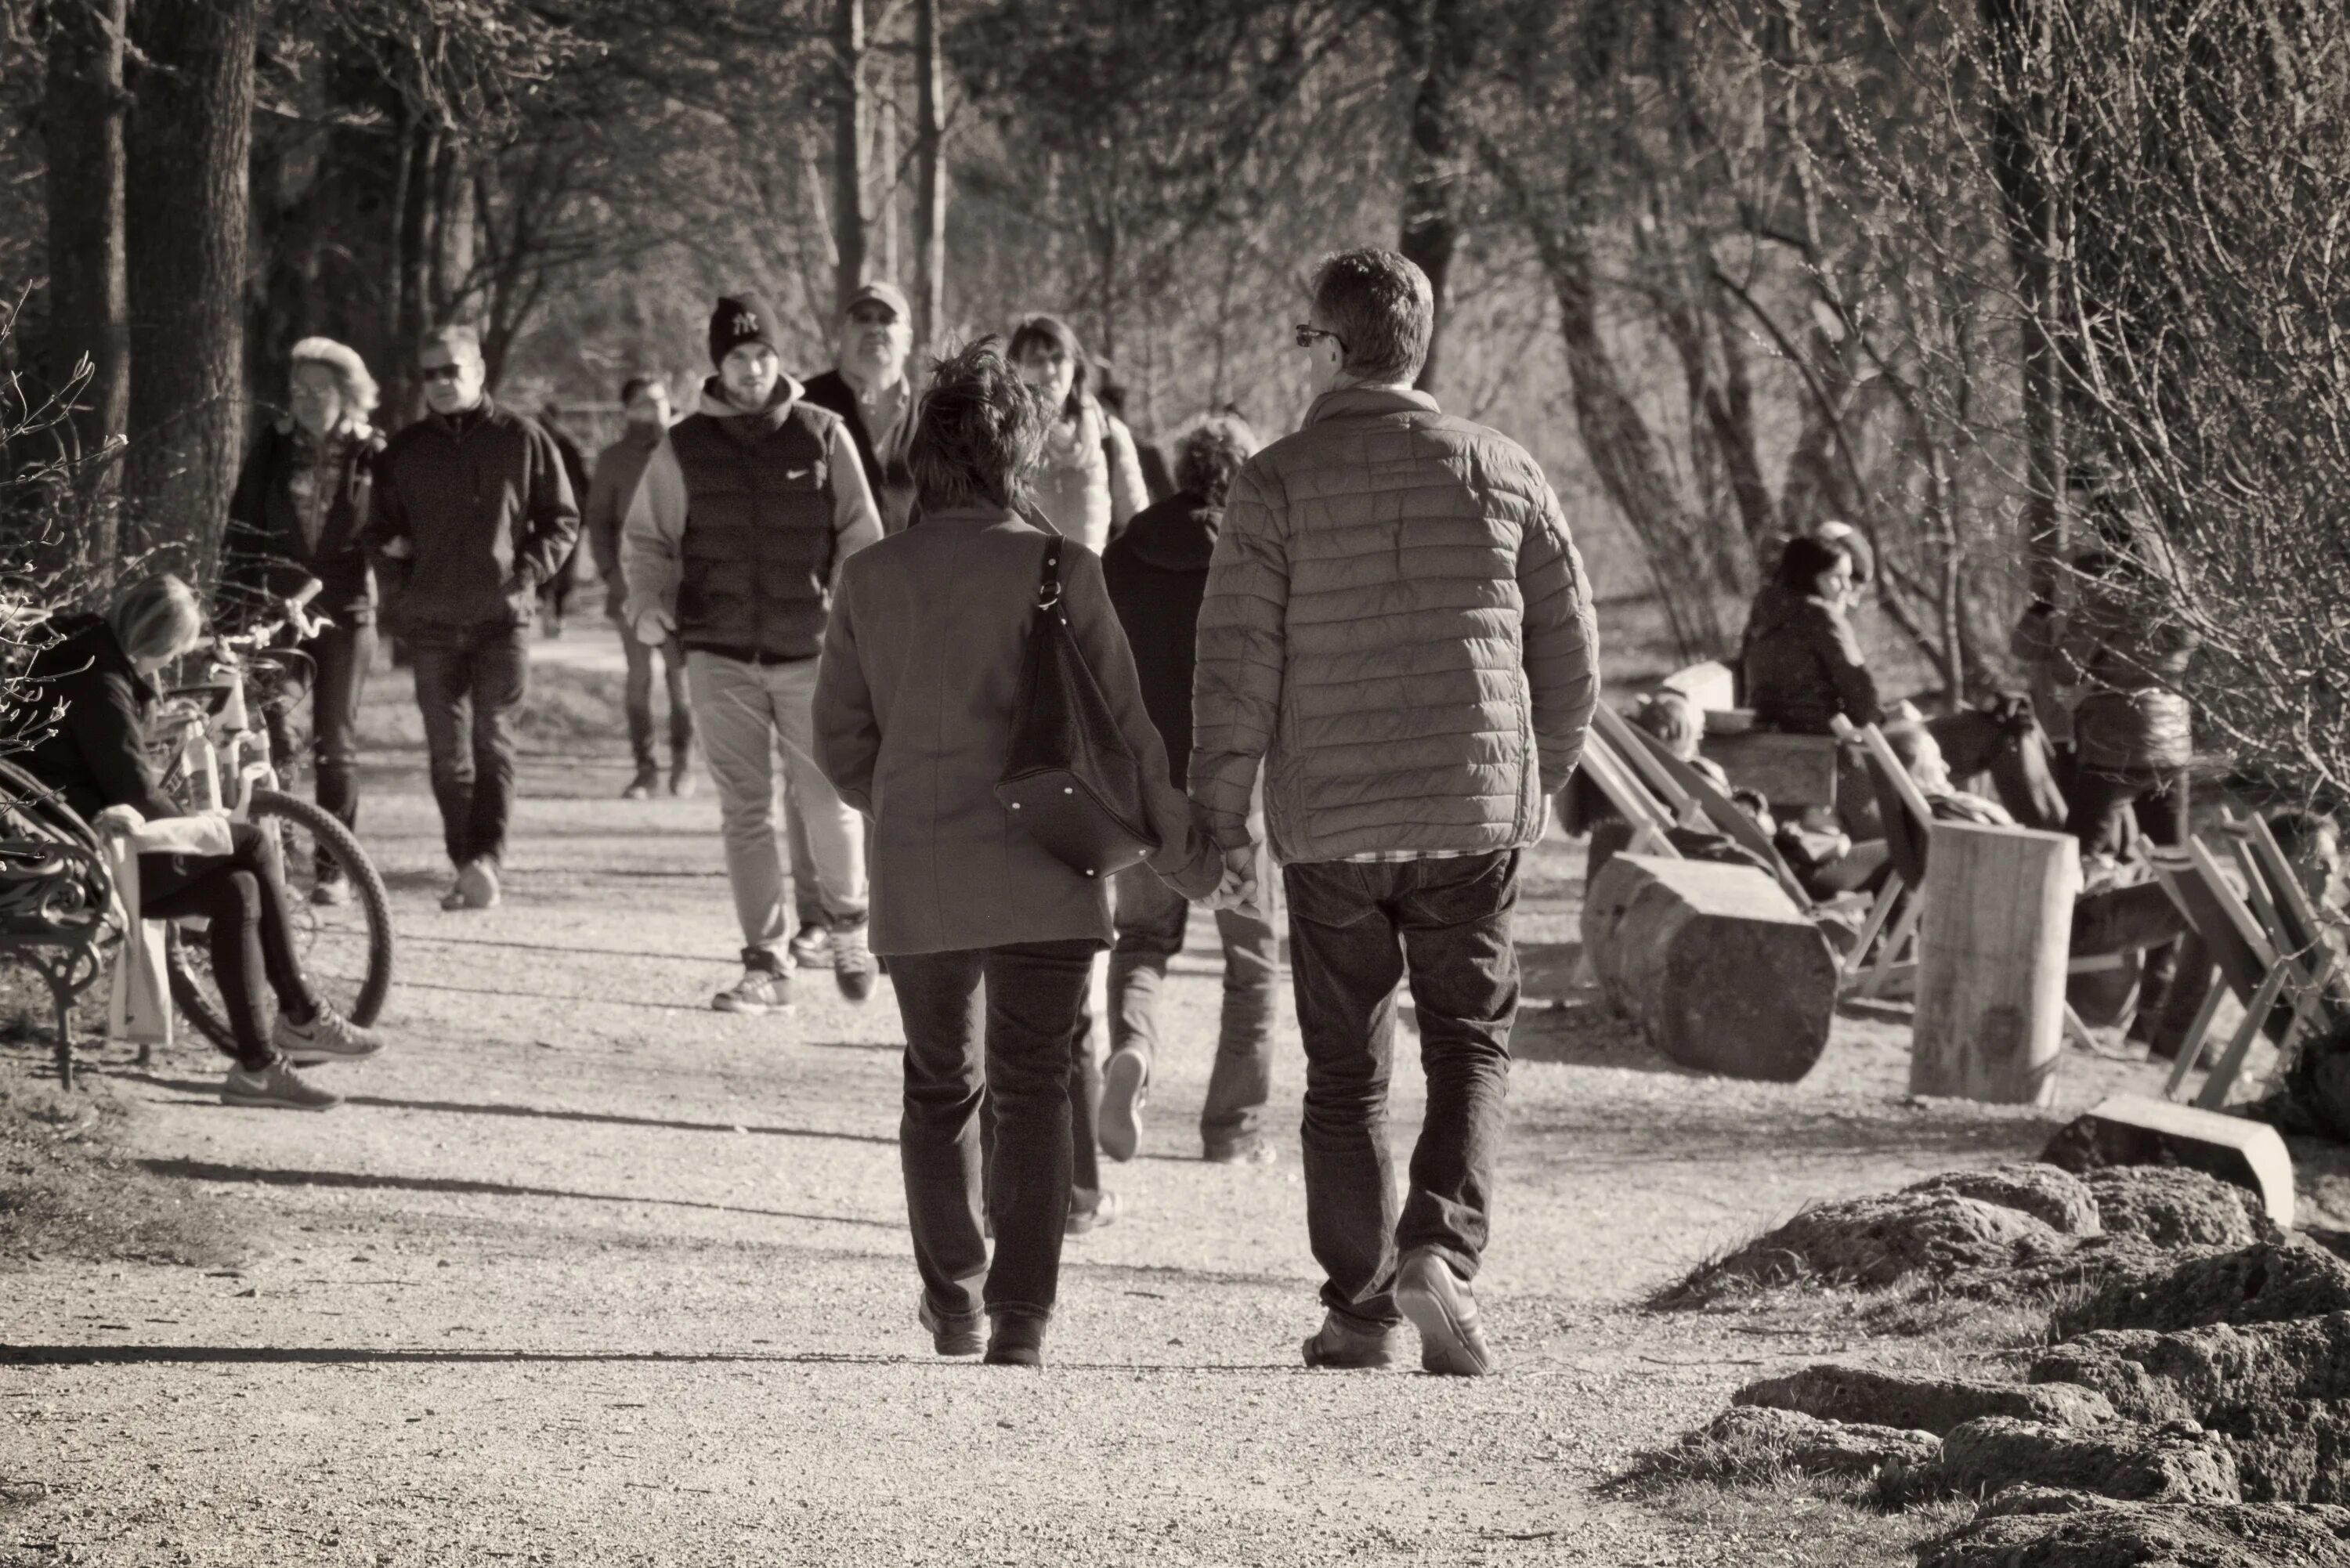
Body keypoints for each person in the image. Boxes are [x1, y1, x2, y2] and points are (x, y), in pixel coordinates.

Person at [1190, 248, 1599, 1377]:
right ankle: (1440, 1247)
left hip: (1330, 827)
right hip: (1471, 817)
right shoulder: (1504, 469)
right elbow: (1569, 654)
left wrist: (1218, 820)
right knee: (1469, 1040)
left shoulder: (1271, 482)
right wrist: (1536, 775)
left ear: (1330, 346)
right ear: (1417, 344)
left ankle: (1361, 1308)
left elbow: (1236, 668)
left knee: (1345, 1069)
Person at [812, 340, 1234, 1368]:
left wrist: (906, 799)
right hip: (1048, 864)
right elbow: (1128, 732)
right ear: (1018, 456)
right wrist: (1183, 845)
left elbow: (839, 743)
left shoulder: (868, 578)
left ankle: (950, 1296)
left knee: (936, 1085)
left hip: (919, 867)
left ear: (920, 452)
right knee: (1035, 1086)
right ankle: (1024, 1316)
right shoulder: (1062, 567)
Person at [15, 578, 381, 1109]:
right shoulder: (99, 680)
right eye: (168, 656)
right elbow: (136, 793)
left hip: (69, 842)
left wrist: (152, 730)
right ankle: (302, 1016)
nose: (164, 668)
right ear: (153, 642)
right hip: (75, 864)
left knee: (235, 890)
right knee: (250, 845)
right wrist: (198, 829)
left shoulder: (86, 655)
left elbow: (94, 757)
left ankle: (258, 1069)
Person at [622, 291, 884, 1011]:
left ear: (780, 357)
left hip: (813, 652)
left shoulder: (823, 434)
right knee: (745, 810)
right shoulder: (682, 447)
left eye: (763, 353)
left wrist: (851, 616)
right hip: (718, 653)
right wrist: (647, 605)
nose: (752, 368)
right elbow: (645, 540)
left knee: (826, 796)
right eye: (738, 356)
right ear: (719, 363)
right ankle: (766, 963)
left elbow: (862, 535)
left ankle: (851, 926)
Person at [1099, 414, 1278, 1165]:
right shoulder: (1257, 555)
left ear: (1179, 471)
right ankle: (1231, 1131)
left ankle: (1132, 1050)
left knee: (1142, 940)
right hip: (1238, 785)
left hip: (1145, 783)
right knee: (1252, 961)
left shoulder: (1125, 551)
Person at [367, 324, 580, 912]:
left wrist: (527, 572)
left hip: (501, 620)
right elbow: (375, 530)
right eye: (429, 372)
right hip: (431, 624)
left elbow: (561, 520)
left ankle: (486, 858)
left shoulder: (523, 439)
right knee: (446, 754)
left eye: (451, 370)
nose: (439, 382)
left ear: (479, 372)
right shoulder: (404, 453)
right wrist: (399, 576)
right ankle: (467, 864)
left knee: (493, 741)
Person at [221, 336, 385, 904]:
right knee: (279, 734)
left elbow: (390, 530)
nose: (308, 399)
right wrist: (233, 604)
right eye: (299, 390)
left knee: (335, 743)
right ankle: (280, 857)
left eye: (321, 389)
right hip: (279, 609)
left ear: (348, 392)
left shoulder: (372, 451)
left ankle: (335, 869)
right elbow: (243, 523)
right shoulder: (275, 445)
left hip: (347, 610)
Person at [2059, 548, 2200, 1044]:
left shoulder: (2105, 599)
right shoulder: (2180, 596)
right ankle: (2153, 1020)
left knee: (2066, 866)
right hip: (2171, 747)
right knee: (2179, 879)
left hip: (2113, 745)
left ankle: (2048, 986)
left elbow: (2062, 667)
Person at [584, 374, 696, 801]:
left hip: (683, 591)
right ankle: (644, 769)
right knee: (638, 681)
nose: (654, 410)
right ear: (627, 410)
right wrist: (614, 577)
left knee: (680, 680)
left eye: (660, 401)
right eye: (644, 404)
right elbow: (599, 524)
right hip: (629, 590)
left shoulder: (687, 447)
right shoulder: (614, 459)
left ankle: (683, 766)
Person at [1007, 314, 1148, 553]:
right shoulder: (1004, 438)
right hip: (1021, 585)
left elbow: (1138, 528)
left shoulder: (1109, 436)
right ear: (1015, 369)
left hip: (1093, 583)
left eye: (1058, 358)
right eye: (1036, 360)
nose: (1049, 370)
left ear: (1075, 364)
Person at [801, 280, 920, 534]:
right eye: (863, 318)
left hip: (914, 573)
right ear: (841, 334)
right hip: (831, 573)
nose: (875, 328)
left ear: (908, 340)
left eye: (887, 319)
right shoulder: (803, 407)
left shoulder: (934, 416)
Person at [1743, 535, 1882, 735]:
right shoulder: (1821, 617)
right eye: (1836, 577)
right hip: (1819, 737)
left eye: (1848, 576)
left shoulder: (1763, 612)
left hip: (1765, 732)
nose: (1847, 587)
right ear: (1808, 577)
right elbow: (1860, 695)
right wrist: (1882, 721)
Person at [534, 403, 593, 638]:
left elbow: (582, 481)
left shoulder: (549, 443)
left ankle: (551, 608)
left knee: (554, 563)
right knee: (559, 564)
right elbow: (584, 482)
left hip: (558, 514)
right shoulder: (558, 443)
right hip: (564, 515)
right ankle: (554, 612)